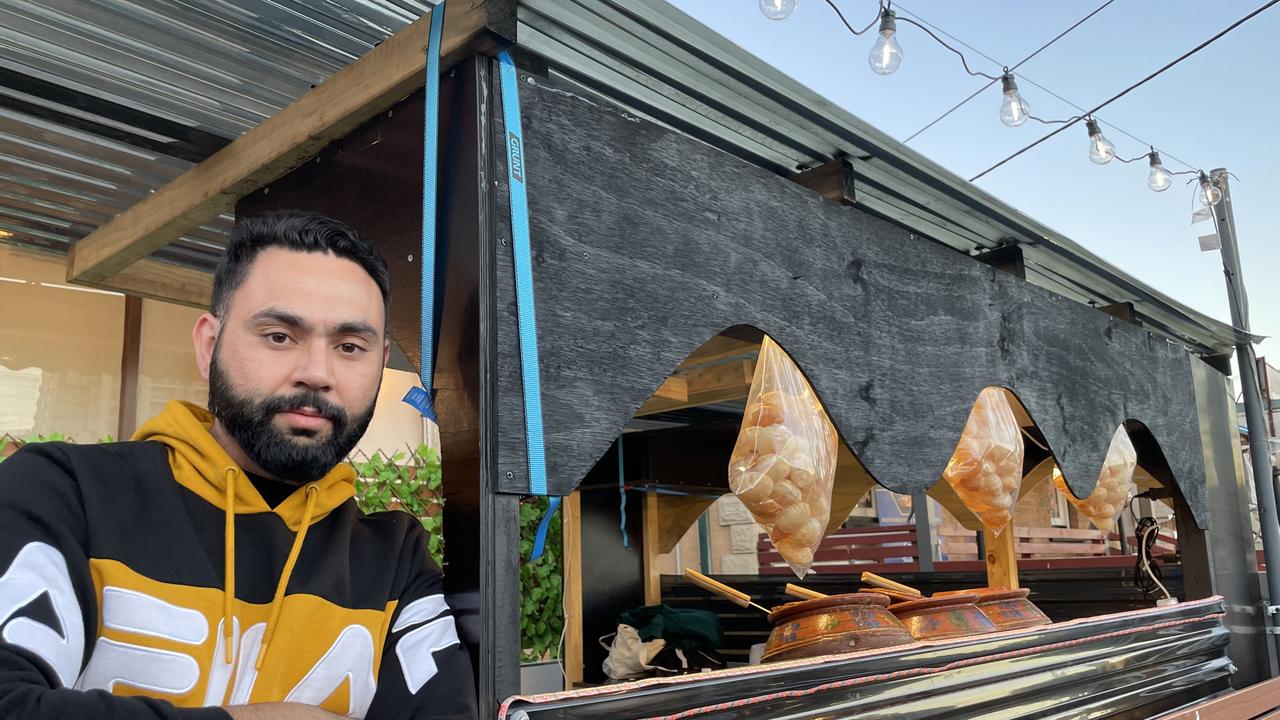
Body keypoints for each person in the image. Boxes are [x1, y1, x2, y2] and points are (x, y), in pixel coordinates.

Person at [0, 211, 477, 719]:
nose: (317, 373)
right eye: (279, 336)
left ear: (379, 364)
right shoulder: (64, 494)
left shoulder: (394, 563)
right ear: (209, 346)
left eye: (349, 347)